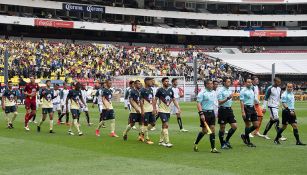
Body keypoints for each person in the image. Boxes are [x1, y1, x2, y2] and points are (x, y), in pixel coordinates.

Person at [193, 80, 220, 153]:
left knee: (212, 129)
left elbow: (215, 103)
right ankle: (196, 143)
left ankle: (213, 148)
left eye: (212, 83)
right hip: (204, 113)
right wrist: (201, 114)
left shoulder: (214, 92)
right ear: (206, 85)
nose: (212, 85)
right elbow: (198, 104)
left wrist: (216, 112)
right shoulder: (202, 93)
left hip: (212, 113)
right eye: (210, 84)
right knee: (204, 131)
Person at [156, 77, 180, 148]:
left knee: (164, 126)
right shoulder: (159, 90)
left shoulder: (170, 90)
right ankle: (167, 142)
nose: (167, 82)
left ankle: (161, 141)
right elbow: (155, 99)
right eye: (166, 81)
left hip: (168, 111)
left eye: (168, 81)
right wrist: (155, 108)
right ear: (163, 82)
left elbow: (173, 99)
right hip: (161, 110)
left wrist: (178, 107)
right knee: (166, 125)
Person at [217, 78, 237, 149]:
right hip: (222, 110)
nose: (230, 82)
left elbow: (230, 101)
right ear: (224, 82)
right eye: (228, 81)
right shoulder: (220, 90)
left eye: (230, 81)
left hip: (229, 110)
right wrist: (228, 98)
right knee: (222, 127)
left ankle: (226, 140)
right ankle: (222, 144)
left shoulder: (229, 90)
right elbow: (219, 102)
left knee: (234, 126)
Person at [239, 78, 259, 147]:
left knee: (256, 125)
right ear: (245, 83)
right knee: (248, 125)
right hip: (246, 108)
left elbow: (252, 100)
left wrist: (254, 108)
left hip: (252, 108)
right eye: (248, 82)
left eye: (250, 82)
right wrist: (243, 111)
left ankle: (244, 135)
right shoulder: (243, 91)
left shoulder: (252, 89)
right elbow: (241, 101)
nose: (249, 83)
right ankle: (248, 142)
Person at [140, 77, 157, 144]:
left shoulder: (151, 89)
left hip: (151, 109)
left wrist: (154, 108)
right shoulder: (142, 90)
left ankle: (142, 133)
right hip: (145, 110)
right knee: (146, 124)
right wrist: (142, 110)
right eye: (150, 81)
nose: (151, 82)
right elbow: (141, 101)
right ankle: (147, 139)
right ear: (146, 82)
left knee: (153, 123)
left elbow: (152, 99)